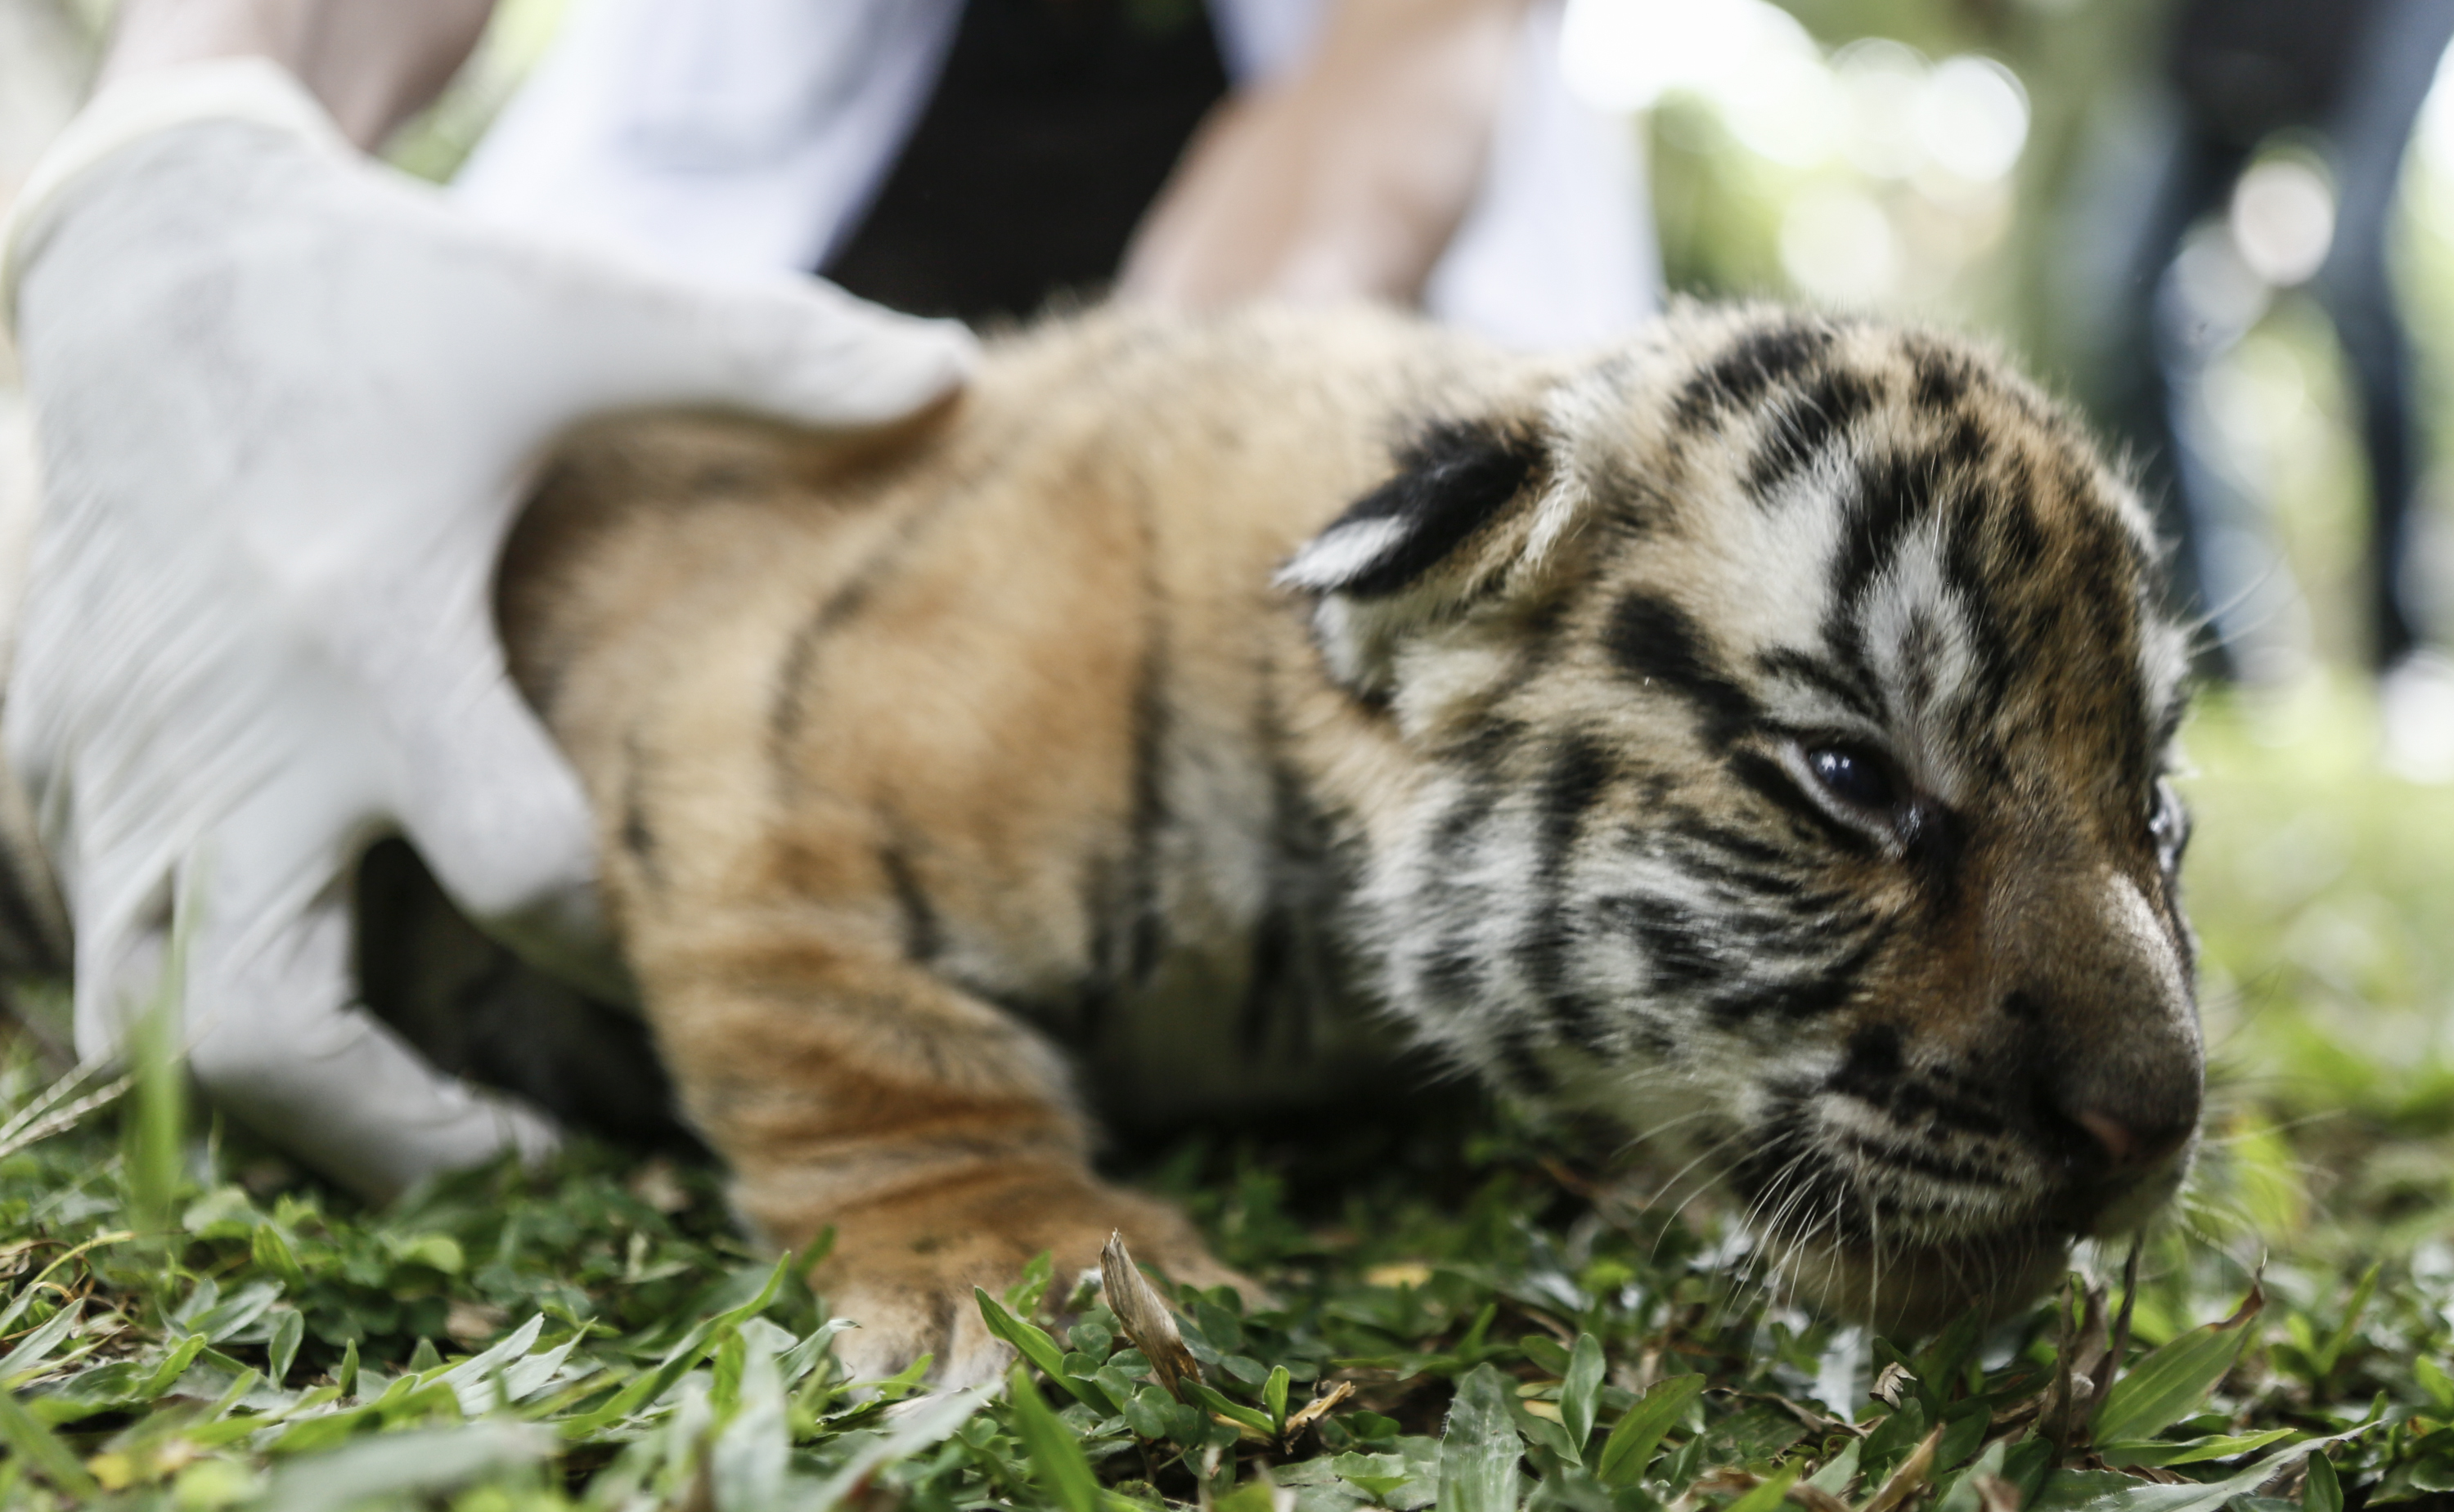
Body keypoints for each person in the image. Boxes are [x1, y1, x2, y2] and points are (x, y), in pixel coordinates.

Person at [0, 0, 1654, 1197]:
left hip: (1236, 453)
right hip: (668, 443)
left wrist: (1152, 528)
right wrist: (181, 151)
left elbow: (1387, 118)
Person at [2091, 0, 2454, 756]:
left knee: (2353, 272)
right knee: (2118, 297)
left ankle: (2404, 650)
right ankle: (2223, 639)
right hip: (2226, 22)